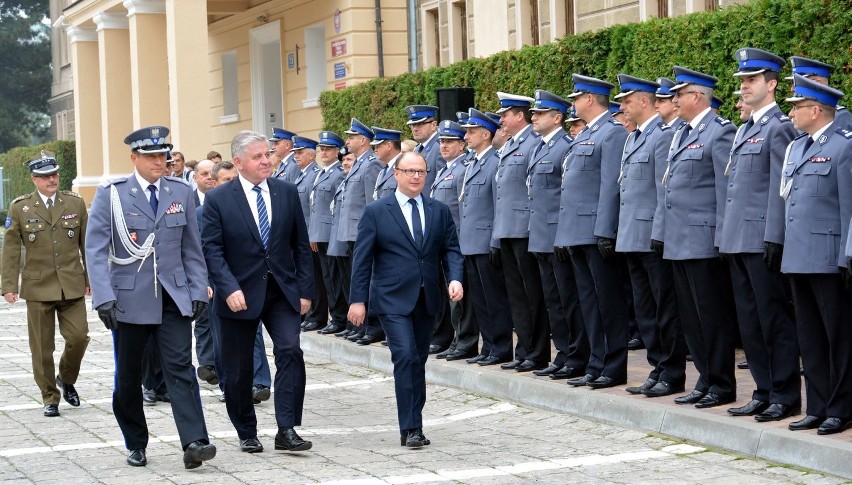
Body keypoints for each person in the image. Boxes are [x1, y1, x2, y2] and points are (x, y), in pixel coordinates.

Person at [86, 125, 215, 469]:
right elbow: (96, 250)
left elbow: (192, 247)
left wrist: (198, 287)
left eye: (164, 155)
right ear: (134, 158)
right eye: (152, 156)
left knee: (180, 368)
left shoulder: (180, 192)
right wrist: (103, 297)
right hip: (128, 300)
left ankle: (194, 441)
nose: (161, 161)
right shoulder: (112, 194)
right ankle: (135, 441)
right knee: (129, 376)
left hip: (173, 297)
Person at [202, 130, 315, 454]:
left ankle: (287, 428)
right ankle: (246, 430)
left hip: (281, 291)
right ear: (238, 162)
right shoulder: (218, 199)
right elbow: (212, 250)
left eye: (267, 154)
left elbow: (300, 246)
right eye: (258, 156)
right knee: (238, 369)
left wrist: (305, 290)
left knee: (291, 351)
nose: (266, 160)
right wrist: (228, 287)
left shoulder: (286, 192)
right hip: (239, 295)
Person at [348, 151, 464, 447]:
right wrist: (357, 300)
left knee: (419, 360)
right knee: (405, 357)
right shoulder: (377, 211)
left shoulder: (438, 210)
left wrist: (455, 278)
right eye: (409, 171)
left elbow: (451, 249)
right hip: (391, 299)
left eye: (421, 172)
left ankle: (415, 420)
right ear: (396, 174)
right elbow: (362, 260)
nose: (415, 177)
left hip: (427, 298)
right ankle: (411, 428)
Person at [719, 48, 801, 422]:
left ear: (771, 85)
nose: (744, 86)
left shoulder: (779, 127)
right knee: (750, 323)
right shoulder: (745, 129)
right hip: (738, 239)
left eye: (751, 80)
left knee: (773, 320)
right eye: (742, 81)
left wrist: (775, 236)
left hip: (761, 241)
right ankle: (763, 389)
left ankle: (784, 394)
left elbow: (780, 188)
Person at [660, 67, 738, 409]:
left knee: (712, 317)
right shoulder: (681, 132)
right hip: (679, 238)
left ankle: (721, 383)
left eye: (680, 94)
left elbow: (725, 191)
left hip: (704, 240)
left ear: (697, 96)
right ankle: (705, 379)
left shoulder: (719, 132)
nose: (674, 100)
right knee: (691, 318)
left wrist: (722, 238)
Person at [782, 74, 852, 435]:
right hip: (799, 255)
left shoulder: (843, 145)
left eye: (796, 106)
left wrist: (848, 254)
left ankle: (841, 408)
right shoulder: (798, 146)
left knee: (837, 337)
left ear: (815, 109)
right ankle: (818, 405)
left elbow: (849, 205)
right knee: (809, 337)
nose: (790, 112)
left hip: (828, 256)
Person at [1, 151, 90, 418]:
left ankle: (66, 376)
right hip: (38, 286)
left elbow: (86, 244)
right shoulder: (20, 207)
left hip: (71, 284)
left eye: (54, 174)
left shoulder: (75, 203)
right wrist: (8, 284)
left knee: (79, 337)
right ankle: (50, 397)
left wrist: (90, 279)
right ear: (34, 179)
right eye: (45, 176)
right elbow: (11, 249)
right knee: (42, 348)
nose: (51, 179)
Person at [613, 74, 686, 397]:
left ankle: (671, 371)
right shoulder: (634, 137)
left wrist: (659, 233)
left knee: (663, 308)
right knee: (645, 308)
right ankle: (657, 367)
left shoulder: (661, 135)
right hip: (632, 233)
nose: (623, 107)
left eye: (627, 101)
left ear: (645, 101)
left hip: (652, 236)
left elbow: (662, 190)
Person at [557, 75, 631, 389]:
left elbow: (609, 185)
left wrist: (605, 230)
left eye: (576, 97)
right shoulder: (586, 134)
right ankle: (596, 362)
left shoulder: (611, 133)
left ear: (590, 98)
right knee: (588, 301)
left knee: (607, 302)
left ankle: (613, 366)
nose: (573, 103)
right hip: (576, 231)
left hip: (594, 231)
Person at [526, 90, 589, 381]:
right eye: (534, 114)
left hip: (558, 235)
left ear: (557, 118)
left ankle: (577, 355)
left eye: (539, 114)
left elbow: (568, 195)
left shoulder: (565, 145)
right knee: (553, 300)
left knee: (569, 300)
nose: (533, 118)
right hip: (540, 233)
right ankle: (563, 353)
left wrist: (563, 235)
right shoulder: (540, 147)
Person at [492, 91, 548, 372]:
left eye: (505, 114)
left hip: (525, 230)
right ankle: (524, 349)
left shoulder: (533, 144)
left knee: (532, 295)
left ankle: (537, 352)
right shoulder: (512, 144)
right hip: (508, 230)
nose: (501, 119)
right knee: (517, 295)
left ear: (519, 115)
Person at [458, 109, 514, 366]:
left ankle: (500, 346)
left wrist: (494, 241)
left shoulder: (495, 161)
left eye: (471, 132)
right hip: (470, 241)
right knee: (480, 299)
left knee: (494, 299)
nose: (466, 136)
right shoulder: (474, 162)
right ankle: (488, 345)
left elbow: (497, 205)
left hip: (485, 241)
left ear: (485, 134)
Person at [430, 120, 476, 361]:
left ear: (461, 145)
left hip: (456, 240)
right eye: (441, 141)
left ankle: (465, 341)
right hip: (442, 242)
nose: (444, 146)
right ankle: (456, 338)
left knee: (461, 296)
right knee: (450, 295)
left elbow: (461, 209)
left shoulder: (463, 169)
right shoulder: (444, 169)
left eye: (449, 141)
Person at [339, 118, 385, 345]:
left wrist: (371, 232)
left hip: (362, 232)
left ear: (363, 141)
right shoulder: (359, 163)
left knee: (368, 279)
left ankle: (373, 325)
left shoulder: (371, 164)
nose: (348, 140)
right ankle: (360, 324)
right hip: (351, 232)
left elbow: (371, 202)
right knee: (355, 279)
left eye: (352, 137)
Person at [311, 131, 349, 336]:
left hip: (331, 233)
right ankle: (336, 316)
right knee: (328, 277)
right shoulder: (323, 172)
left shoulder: (338, 172)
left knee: (335, 278)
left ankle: (340, 317)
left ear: (337, 152)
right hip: (321, 232)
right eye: (322, 149)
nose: (323, 153)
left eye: (328, 149)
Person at [192, 158, 219, 385]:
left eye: (212, 173)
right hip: (199, 271)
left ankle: (216, 362)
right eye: (204, 174)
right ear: (195, 178)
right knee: (202, 320)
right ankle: (207, 364)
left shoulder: (224, 199)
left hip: (221, 270)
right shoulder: (187, 202)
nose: (209, 177)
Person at [405, 104, 446, 188]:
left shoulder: (440, 148)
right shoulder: (417, 149)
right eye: (413, 125)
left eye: (420, 124)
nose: (415, 129)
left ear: (433, 125)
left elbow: (443, 187)